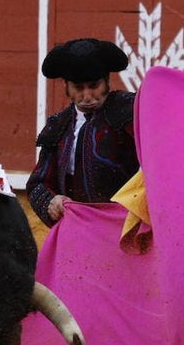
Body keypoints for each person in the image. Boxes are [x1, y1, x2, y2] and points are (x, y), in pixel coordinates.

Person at [27, 37, 139, 227]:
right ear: (67, 88)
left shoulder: (130, 111)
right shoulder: (58, 126)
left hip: (129, 226)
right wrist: (52, 202)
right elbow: (37, 184)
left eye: (94, 86)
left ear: (106, 82)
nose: (87, 96)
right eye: (79, 88)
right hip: (80, 230)